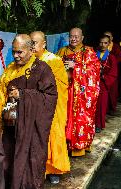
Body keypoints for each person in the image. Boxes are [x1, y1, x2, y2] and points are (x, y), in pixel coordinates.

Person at [0, 34, 58, 189]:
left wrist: (22, 95)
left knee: (30, 163)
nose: (15, 56)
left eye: (20, 52)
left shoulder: (42, 69)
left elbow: (50, 97)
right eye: (14, 51)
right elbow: (0, 93)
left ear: (31, 50)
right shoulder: (10, 69)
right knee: (9, 159)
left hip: (31, 130)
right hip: (11, 123)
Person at [30, 31, 70, 184]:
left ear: (44, 44)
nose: (31, 46)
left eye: (34, 42)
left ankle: (54, 169)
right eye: (30, 43)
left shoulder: (53, 60)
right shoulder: (27, 60)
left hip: (50, 105)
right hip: (33, 105)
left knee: (52, 135)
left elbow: (60, 85)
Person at [56, 27, 100, 157]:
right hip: (64, 90)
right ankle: (64, 146)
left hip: (80, 93)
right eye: (71, 36)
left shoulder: (88, 52)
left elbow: (94, 72)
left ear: (82, 38)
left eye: (76, 36)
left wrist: (76, 67)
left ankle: (79, 148)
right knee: (63, 118)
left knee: (79, 120)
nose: (73, 38)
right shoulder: (62, 51)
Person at [95, 35, 118, 133]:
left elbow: (113, 73)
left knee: (101, 105)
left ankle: (99, 124)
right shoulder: (93, 55)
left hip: (103, 84)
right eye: (101, 42)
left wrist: (104, 76)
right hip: (92, 83)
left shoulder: (111, 57)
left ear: (109, 44)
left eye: (105, 43)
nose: (103, 45)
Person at [103, 31, 121, 114]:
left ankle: (112, 108)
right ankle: (105, 109)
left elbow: (119, 58)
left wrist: (111, 62)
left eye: (109, 36)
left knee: (113, 92)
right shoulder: (101, 46)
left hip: (112, 71)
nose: (107, 37)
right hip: (103, 72)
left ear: (112, 38)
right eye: (106, 36)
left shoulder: (116, 46)